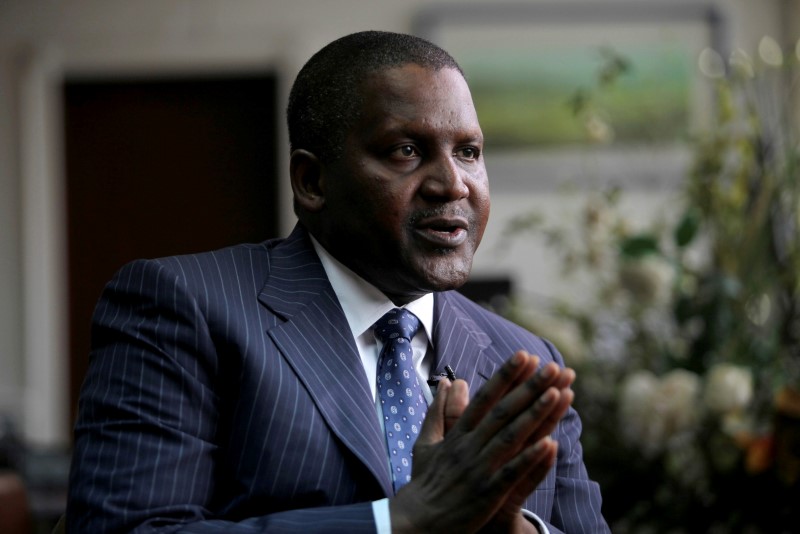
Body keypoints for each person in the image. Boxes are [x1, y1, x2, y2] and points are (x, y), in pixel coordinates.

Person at [66, 31, 609, 533]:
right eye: (407, 151)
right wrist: (401, 521)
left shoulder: (525, 357)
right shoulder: (183, 306)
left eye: (469, 152)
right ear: (312, 181)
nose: (453, 184)